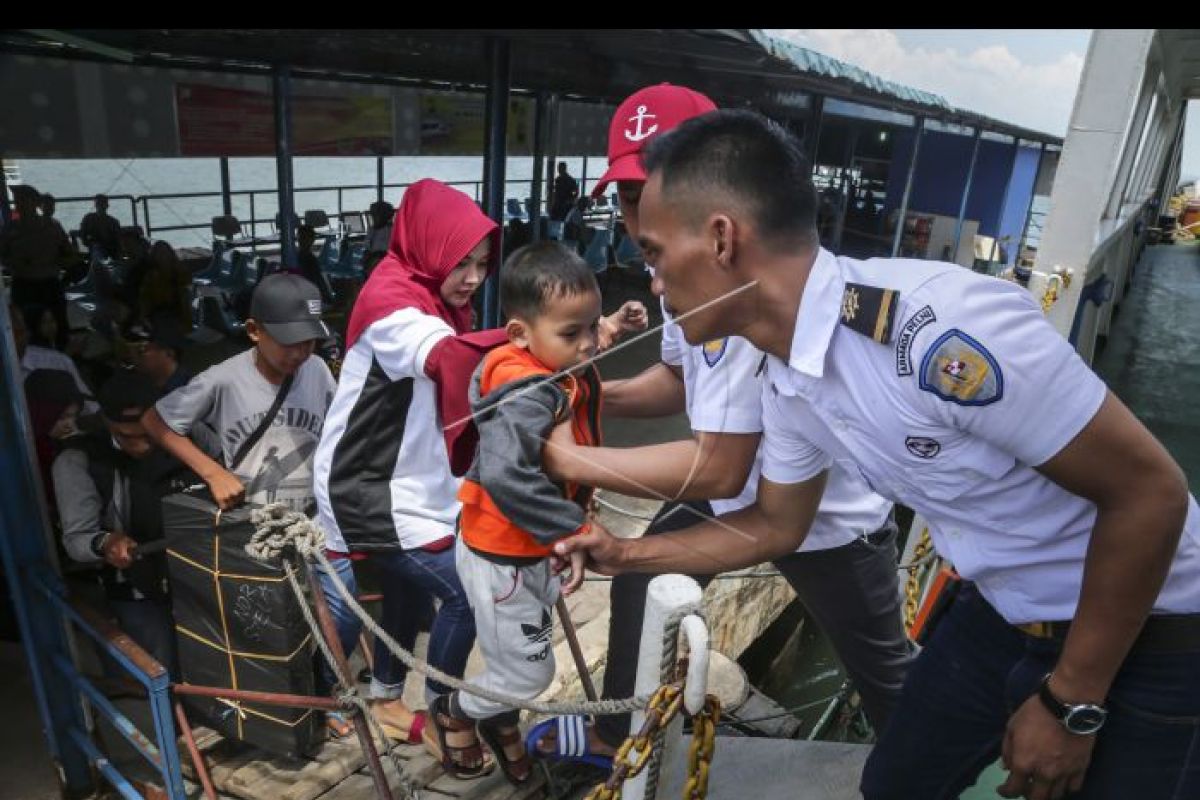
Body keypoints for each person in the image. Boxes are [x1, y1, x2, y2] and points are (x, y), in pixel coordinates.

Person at [554, 109, 1200, 799]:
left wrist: (1072, 702)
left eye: (653, 255)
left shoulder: (935, 334)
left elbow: (1150, 495)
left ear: (721, 239)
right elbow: (776, 525)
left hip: (1150, 630)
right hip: (1001, 609)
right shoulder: (785, 374)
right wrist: (623, 556)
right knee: (894, 783)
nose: (651, 282)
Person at [534, 84, 911, 762]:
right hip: (742, 495)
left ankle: (924, 767)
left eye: (648, 195)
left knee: (888, 679)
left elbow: (717, 462)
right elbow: (678, 379)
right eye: (625, 198)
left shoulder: (737, 294)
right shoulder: (675, 278)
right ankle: (616, 735)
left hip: (826, 521)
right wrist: (585, 395)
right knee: (640, 581)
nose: (633, 218)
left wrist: (568, 457)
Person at [431, 241, 600, 784]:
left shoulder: (538, 364)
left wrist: (610, 326)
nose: (589, 345)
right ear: (520, 334)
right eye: (573, 334)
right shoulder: (525, 389)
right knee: (530, 676)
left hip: (523, 549)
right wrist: (574, 527)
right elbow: (507, 475)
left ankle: (497, 721)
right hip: (500, 556)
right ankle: (455, 710)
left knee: (516, 656)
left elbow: (569, 343)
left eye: (592, 329)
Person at [53, 371, 193, 675]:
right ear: (105, 421)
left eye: (148, 435)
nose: (142, 446)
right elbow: (77, 539)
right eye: (127, 436)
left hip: (197, 578)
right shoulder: (79, 461)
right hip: (137, 589)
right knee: (161, 673)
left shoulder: (188, 436)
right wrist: (106, 543)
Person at [1, 185, 75, 347]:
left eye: (22, 200)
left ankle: (63, 359)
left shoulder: (53, 226)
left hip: (50, 283)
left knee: (59, 324)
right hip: (23, 284)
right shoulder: (10, 228)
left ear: (35, 203)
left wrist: (55, 262)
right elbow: (2, 255)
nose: (18, 204)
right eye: (17, 200)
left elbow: (69, 254)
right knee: (25, 327)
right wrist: (13, 263)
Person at [80, 194, 123, 259]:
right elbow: (83, 236)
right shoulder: (88, 219)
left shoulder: (113, 221)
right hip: (95, 248)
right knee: (98, 252)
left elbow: (118, 240)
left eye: (102, 204)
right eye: (99, 204)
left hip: (110, 250)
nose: (101, 206)